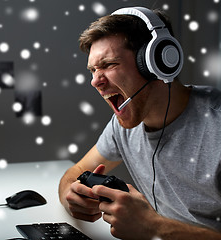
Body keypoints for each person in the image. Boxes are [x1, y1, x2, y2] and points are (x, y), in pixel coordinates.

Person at [58, 6, 221, 240]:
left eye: (109, 64)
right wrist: (69, 196)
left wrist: (153, 227)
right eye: (93, 70)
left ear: (157, 62)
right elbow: (74, 173)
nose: (95, 81)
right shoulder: (123, 123)